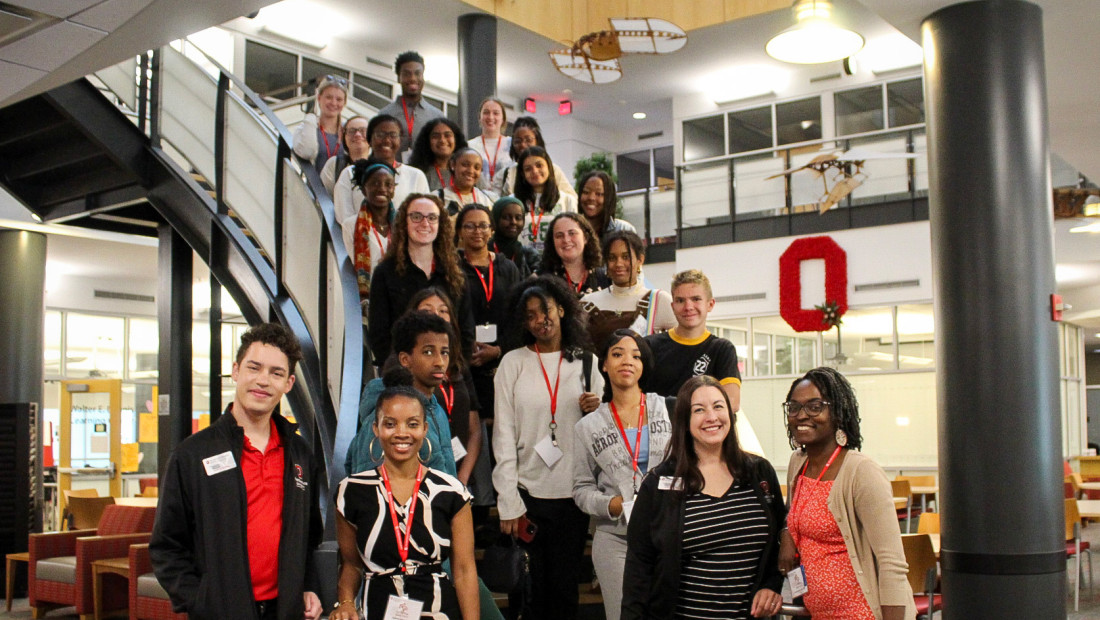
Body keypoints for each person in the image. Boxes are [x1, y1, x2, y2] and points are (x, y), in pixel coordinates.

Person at [151, 323, 323, 620]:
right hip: (221, 612)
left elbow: (308, 537)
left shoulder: (300, 454)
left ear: (289, 383)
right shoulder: (193, 454)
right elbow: (166, 545)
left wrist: (308, 586)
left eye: (276, 373)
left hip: (285, 610)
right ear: (235, 371)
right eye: (254, 368)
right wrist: (200, 600)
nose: (263, 380)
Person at [622, 376, 786, 620]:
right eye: (699, 410)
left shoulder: (759, 472)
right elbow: (638, 567)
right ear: (684, 421)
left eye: (718, 406)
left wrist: (772, 585)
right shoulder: (658, 484)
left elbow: (779, 543)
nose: (712, 417)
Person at [492, 275, 603, 620]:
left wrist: (597, 409)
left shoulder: (586, 362)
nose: (541, 320)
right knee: (529, 594)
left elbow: (603, 433)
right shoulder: (513, 363)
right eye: (531, 315)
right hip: (527, 494)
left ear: (562, 309)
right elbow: (504, 435)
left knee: (564, 591)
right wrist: (508, 499)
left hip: (574, 495)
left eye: (546, 310)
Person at [779, 368, 916, 620]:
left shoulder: (861, 472)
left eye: (815, 406)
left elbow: (892, 563)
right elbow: (794, 511)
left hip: (862, 613)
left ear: (838, 413)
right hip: (816, 613)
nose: (801, 415)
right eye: (794, 407)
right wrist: (787, 533)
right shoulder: (798, 463)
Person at [332, 385, 479, 620]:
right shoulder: (351, 492)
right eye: (390, 424)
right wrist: (346, 602)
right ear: (376, 429)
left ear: (425, 429)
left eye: (412, 424)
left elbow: (464, 571)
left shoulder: (451, 491)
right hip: (377, 611)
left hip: (439, 611)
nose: (402, 433)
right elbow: (351, 565)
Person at [572, 329, 671, 620]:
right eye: (617, 354)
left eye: (636, 356)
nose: (627, 361)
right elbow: (580, 489)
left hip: (664, 535)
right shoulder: (588, 426)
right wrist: (612, 504)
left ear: (643, 366)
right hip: (615, 538)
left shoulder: (667, 409)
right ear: (604, 364)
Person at [345, 311, 458, 476]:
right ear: (405, 359)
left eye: (444, 352)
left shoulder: (436, 409)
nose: (440, 362)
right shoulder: (383, 415)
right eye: (428, 352)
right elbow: (369, 487)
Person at [368, 194, 475, 365]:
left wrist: (453, 369)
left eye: (432, 218)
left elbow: (466, 330)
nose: (425, 223)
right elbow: (379, 335)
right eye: (417, 217)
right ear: (405, 222)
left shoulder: (455, 272)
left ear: (440, 224)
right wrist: (403, 371)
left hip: (449, 376)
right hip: (403, 377)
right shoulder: (385, 273)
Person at [408, 287, 483, 486]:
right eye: (427, 310)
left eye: (443, 310)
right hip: (422, 478)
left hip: (461, 476)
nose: (436, 316)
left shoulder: (458, 365)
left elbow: (474, 430)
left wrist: (463, 478)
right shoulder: (405, 367)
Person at [644, 269, 742, 411]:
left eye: (696, 299)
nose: (688, 307)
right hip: (660, 432)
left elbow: (731, 403)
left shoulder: (722, 349)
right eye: (680, 301)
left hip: (705, 431)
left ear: (710, 304)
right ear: (672, 306)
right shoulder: (650, 346)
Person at [581, 230, 675, 348]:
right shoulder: (588, 302)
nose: (619, 263)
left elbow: (684, 341)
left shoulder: (658, 300)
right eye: (612, 258)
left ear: (640, 259)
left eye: (626, 257)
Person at [334, 114, 430, 227]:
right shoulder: (350, 173)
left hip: (403, 242)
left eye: (393, 135)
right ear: (369, 139)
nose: (386, 140)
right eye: (380, 135)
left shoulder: (416, 176)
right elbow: (344, 217)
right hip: (361, 240)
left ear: (400, 141)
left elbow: (424, 216)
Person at [343, 160, 396, 311]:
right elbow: (353, 266)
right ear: (364, 189)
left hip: (399, 298)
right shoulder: (350, 225)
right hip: (368, 302)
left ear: (394, 190)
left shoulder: (404, 224)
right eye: (375, 183)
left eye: (388, 184)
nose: (382, 189)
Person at [378, 51, 446, 159]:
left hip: (427, 174)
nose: (413, 78)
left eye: (417, 73)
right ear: (398, 78)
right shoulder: (384, 115)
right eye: (406, 74)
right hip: (393, 174)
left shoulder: (437, 116)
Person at [491, 117, 576, 199]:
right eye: (518, 141)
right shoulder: (504, 175)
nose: (523, 145)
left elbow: (572, 201)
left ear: (537, 141)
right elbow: (494, 205)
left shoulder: (554, 170)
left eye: (528, 140)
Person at [512, 146, 577, 254]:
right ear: (522, 174)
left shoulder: (567, 200)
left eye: (539, 165)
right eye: (528, 169)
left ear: (549, 167)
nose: (535, 171)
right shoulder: (513, 201)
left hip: (556, 263)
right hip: (521, 263)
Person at [538, 212, 610, 297]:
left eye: (572, 233)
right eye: (559, 235)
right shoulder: (541, 280)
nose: (566, 240)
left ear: (585, 238)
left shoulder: (606, 277)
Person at [292, 74, 347, 175]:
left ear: (344, 103)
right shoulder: (307, 128)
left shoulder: (348, 131)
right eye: (329, 97)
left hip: (341, 189)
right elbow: (305, 152)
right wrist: (310, 117)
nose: (334, 103)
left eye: (339, 99)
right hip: (314, 189)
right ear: (319, 98)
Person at [577, 170, 636, 244]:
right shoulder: (571, 230)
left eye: (599, 194)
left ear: (609, 198)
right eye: (586, 192)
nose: (591, 198)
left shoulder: (623, 229)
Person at [409, 117, 468, 192]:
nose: (442, 140)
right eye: (436, 136)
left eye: (447, 135)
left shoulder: (469, 171)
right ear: (427, 141)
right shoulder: (418, 174)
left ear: (456, 139)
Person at [436, 147, 497, 218]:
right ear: (453, 165)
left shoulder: (488, 200)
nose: (470, 171)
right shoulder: (437, 198)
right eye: (465, 165)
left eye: (476, 168)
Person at [489, 196, 539, 279]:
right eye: (507, 217)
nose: (513, 222)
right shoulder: (485, 251)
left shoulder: (529, 255)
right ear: (495, 219)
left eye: (518, 218)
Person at [468, 97, 512, 189]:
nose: (491, 117)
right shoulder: (470, 146)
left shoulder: (512, 144)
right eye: (486, 112)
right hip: (478, 199)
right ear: (480, 117)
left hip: (508, 200)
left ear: (503, 119)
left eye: (496, 113)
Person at [321, 115, 369, 196]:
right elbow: (324, 198)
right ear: (344, 137)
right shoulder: (335, 164)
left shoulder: (380, 165)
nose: (357, 134)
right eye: (351, 131)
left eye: (363, 131)